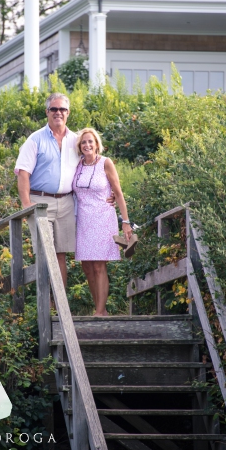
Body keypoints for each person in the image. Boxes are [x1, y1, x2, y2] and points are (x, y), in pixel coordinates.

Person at [15, 93, 80, 288]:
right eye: (54, 109)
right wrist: (27, 204)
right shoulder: (35, 139)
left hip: (68, 203)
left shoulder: (76, 140)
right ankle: (47, 304)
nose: (58, 113)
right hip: (41, 201)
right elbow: (23, 173)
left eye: (62, 109)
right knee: (45, 251)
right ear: (47, 112)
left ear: (68, 112)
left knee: (61, 254)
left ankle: (61, 304)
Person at [72, 127, 133, 317]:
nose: (87, 145)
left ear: (97, 144)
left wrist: (126, 221)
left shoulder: (106, 163)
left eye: (90, 141)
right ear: (79, 146)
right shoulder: (77, 165)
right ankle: (100, 307)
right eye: (83, 142)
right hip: (82, 220)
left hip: (102, 218)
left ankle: (99, 312)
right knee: (87, 267)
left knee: (99, 265)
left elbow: (119, 192)